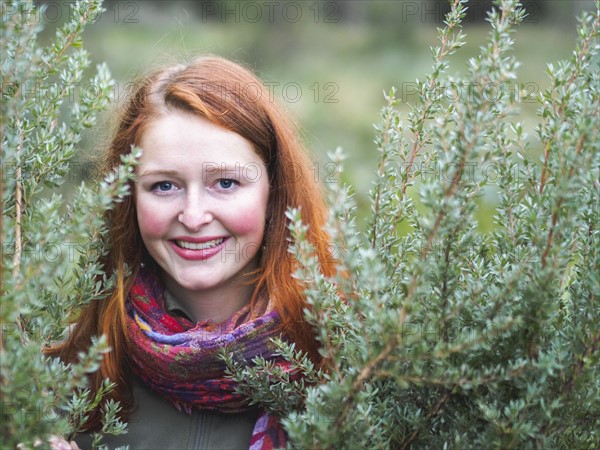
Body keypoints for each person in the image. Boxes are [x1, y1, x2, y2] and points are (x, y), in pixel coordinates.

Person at [48, 55, 335, 450]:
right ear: (128, 199)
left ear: (275, 193)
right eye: (164, 186)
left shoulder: (347, 367)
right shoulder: (60, 373)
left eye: (227, 183)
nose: (194, 216)